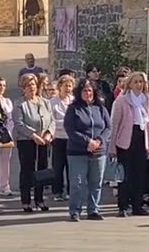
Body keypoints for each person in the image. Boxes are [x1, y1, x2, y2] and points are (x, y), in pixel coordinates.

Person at [111, 71, 149, 217]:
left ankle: (137, 205)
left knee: (140, 174)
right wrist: (112, 146)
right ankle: (123, 206)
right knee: (125, 174)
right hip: (126, 139)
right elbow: (115, 123)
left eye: (142, 82)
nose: (139, 84)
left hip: (143, 137)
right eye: (136, 82)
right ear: (130, 84)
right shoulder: (122, 100)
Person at [64, 78, 112, 222]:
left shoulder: (101, 108)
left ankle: (93, 209)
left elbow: (108, 128)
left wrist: (99, 141)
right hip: (77, 152)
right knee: (77, 183)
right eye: (84, 90)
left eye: (90, 90)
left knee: (96, 183)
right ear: (80, 93)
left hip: (98, 152)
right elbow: (70, 129)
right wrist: (87, 142)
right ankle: (75, 210)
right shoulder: (73, 109)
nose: (87, 93)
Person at [13, 73, 52, 213]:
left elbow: (51, 120)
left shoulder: (45, 102)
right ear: (23, 88)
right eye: (28, 85)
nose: (32, 87)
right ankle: (26, 201)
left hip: (43, 141)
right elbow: (19, 123)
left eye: (33, 84)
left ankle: (39, 199)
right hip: (26, 141)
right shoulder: (19, 104)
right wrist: (33, 135)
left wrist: (49, 133)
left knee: (42, 170)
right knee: (27, 170)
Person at [48, 74, 75, 203]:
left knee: (71, 166)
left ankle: (71, 191)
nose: (68, 89)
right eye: (66, 86)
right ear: (60, 87)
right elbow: (51, 120)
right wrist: (64, 123)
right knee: (58, 166)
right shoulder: (52, 102)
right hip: (58, 138)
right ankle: (57, 191)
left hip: (71, 138)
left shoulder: (74, 101)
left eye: (70, 86)